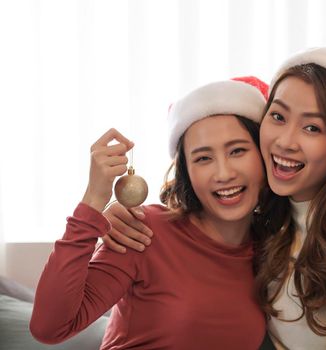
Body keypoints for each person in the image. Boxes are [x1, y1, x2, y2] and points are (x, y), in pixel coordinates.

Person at [103, 47, 326, 349]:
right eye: (278, 117)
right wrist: (116, 215)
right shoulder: (261, 218)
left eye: (312, 127)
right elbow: (192, 224)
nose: (285, 141)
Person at [30, 77, 277, 350]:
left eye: (238, 151)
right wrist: (93, 205)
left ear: (264, 156)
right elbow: (49, 327)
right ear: (187, 172)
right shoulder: (143, 232)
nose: (223, 173)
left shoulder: (272, 248)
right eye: (203, 158)